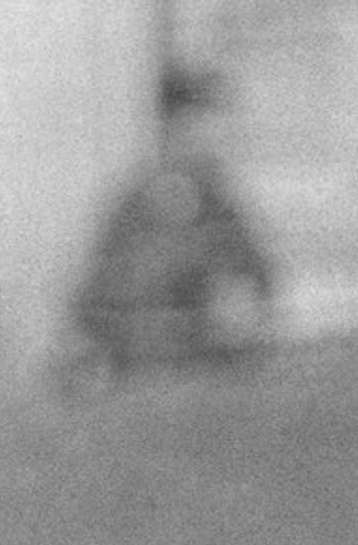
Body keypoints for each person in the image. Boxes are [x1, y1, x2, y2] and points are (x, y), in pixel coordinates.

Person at [67, 63, 277, 383]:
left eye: (222, 125)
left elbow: (258, 279)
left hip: (214, 383)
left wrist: (244, 306)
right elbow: (95, 309)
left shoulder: (222, 205)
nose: (220, 138)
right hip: (150, 383)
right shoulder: (134, 207)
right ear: (174, 127)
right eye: (206, 123)